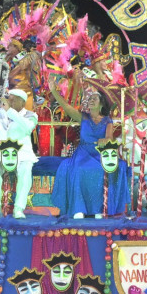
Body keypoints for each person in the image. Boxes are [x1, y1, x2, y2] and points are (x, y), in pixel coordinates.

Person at [49, 83, 130, 218]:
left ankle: (98, 209)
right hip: (83, 152)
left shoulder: (107, 120)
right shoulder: (83, 117)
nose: (91, 100)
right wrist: (54, 91)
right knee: (78, 169)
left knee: (100, 170)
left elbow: (109, 138)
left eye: (94, 99)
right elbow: (66, 107)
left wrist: (105, 140)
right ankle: (78, 209)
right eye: (90, 99)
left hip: (99, 153)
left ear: (101, 104)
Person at [0, 89, 39, 219]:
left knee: (26, 169)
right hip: (0, 153)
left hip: (22, 154)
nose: (9, 101)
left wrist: (10, 111)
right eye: (8, 98)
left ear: (22, 103)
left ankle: (19, 208)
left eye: (13, 99)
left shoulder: (31, 115)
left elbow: (27, 128)